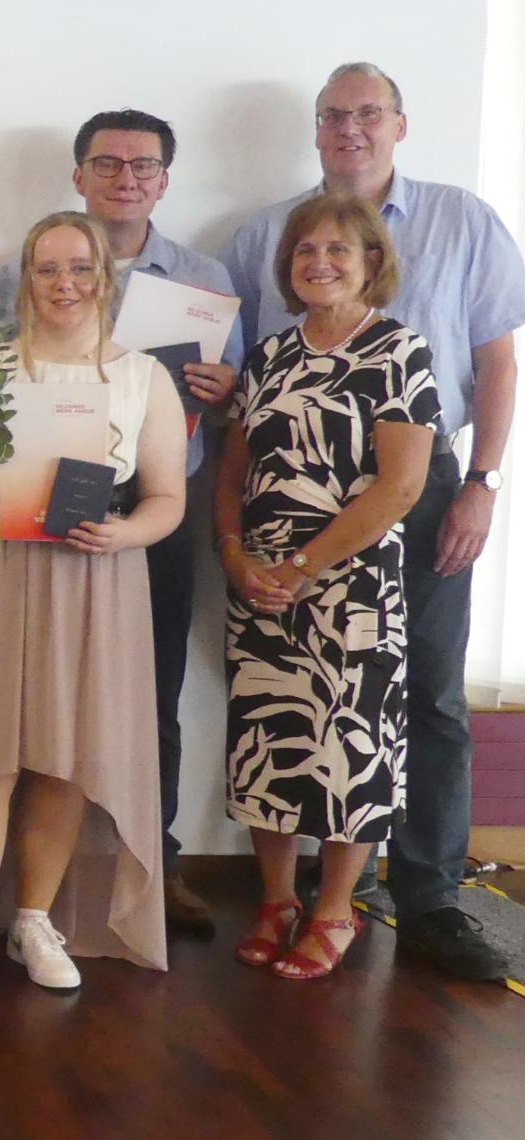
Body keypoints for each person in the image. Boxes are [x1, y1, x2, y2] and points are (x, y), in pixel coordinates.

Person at [223, 62, 525, 982]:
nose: (349, 128)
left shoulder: (460, 228)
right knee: (278, 719)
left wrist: (484, 480)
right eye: (332, 116)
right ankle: (288, 899)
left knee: (414, 700)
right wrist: (241, 551)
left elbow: (496, 359)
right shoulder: (266, 277)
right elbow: (235, 422)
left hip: (408, 504)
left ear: (398, 122)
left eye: (366, 113)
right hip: (274, 541)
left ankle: (418, 896)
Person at [0, 212, 187, 1017]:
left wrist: (125, 531)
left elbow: (167, 497)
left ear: (106, 278)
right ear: (24, 279)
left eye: (81, 269)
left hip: (95, 574)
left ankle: (33, 921)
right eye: (48, 269)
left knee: (63, 757)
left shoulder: (141, 379)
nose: (65, 284)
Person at [0, 110, 246, 938]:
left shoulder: (203, 279)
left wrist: (221, 390)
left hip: (150, 518)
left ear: (166, 180)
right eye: (108, 164)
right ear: (80, 175)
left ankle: (152, 863)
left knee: (149, 693)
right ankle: (18, 884)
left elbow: (240, 400)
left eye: (143, 166)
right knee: (30, 702)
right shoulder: (15, 273)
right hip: (31, 518)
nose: (126, 178)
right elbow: (2, 386)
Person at [221, 194, 438, 978]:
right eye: (306, 250)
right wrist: (235, 556)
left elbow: (401, 487)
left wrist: (303, 565)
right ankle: (276, 898)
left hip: (350, 581)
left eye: (339, 250)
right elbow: (233, 471)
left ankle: (335, 909)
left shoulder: (397, 350)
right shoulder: (270, 354)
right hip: (262, 581)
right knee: (268, 741)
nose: (320, 262)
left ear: (372, 261)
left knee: (353, 744)